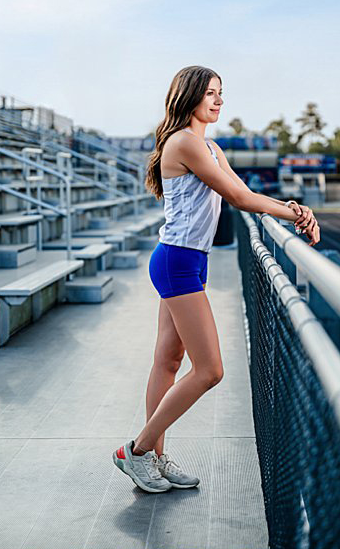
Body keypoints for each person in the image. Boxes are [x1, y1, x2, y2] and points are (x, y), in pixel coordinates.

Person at [113, 65, 320, 493]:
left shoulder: (209, 147)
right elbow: (239, 198)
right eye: (210, 93)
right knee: (209, 371)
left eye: (221, 92)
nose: (219, 100)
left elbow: (248, 192)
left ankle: (153, 459)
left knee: (169, 362)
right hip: (177, 261)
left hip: (188, 260)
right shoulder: (185, 142)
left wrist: (291, 206)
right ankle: (136, 451)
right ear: (189, 95)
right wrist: (294, 214)